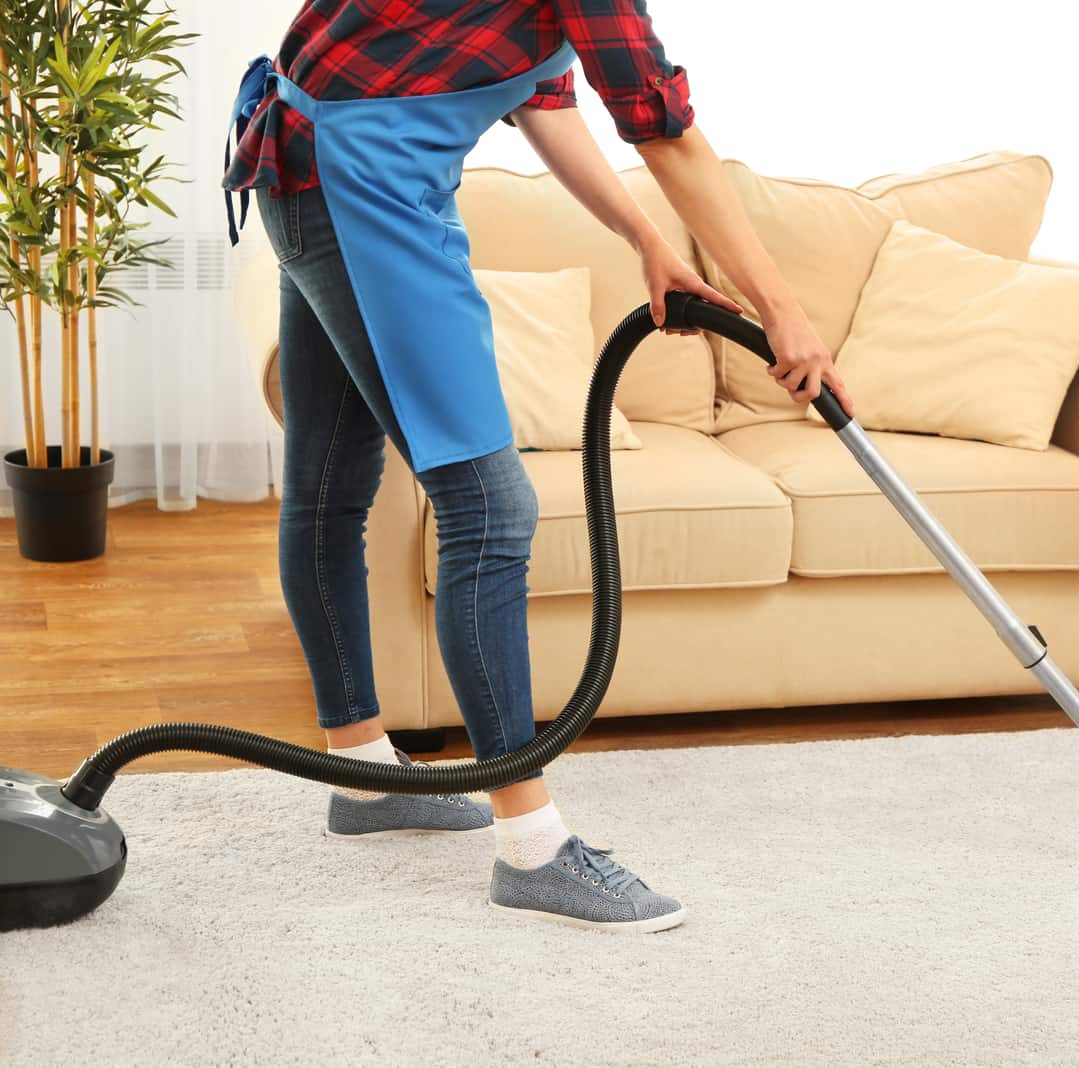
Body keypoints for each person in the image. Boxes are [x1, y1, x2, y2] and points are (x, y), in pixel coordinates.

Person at [221, 0, 854, 933]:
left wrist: (645, 239)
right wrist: (783, 308)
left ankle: (364, 778)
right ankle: (533, 849)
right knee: (488, 510)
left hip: (311, 165)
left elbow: (547, 104)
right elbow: (664, 128)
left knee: (329, 485)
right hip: (359, 183)